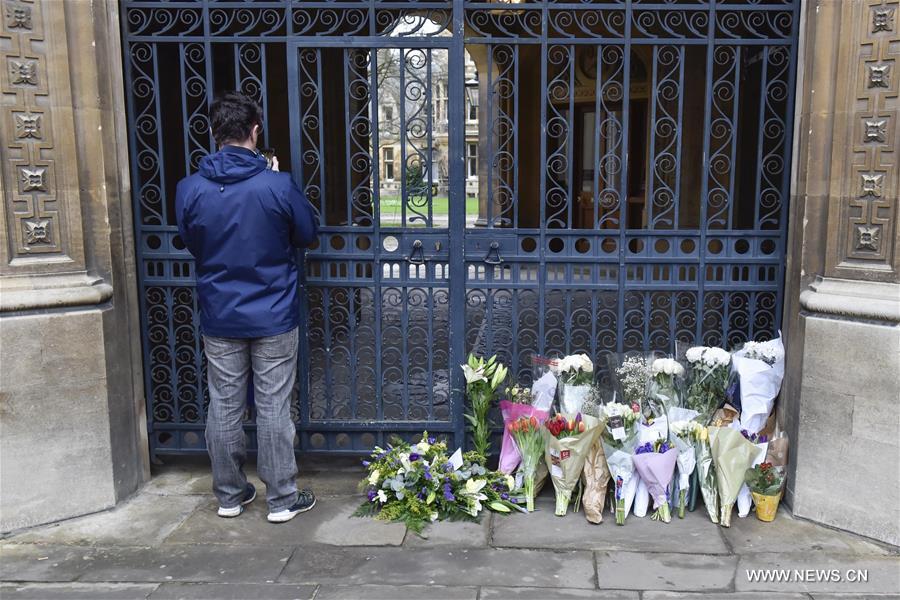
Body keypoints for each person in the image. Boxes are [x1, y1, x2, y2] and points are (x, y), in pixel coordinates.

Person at [175, 91, 318, 523]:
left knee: (224, 404)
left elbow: (188, 240)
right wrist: (275, 180)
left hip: (220, 313)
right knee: (274, 406)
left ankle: (230, 495)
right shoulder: (277, 183)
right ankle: (281, 498)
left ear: (215, 133)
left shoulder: (190, 188)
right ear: (256, 131)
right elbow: (307, 233)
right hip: (273, 311)